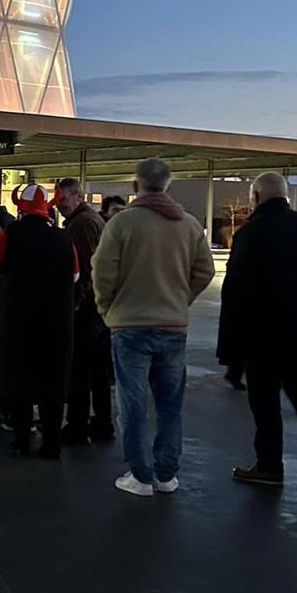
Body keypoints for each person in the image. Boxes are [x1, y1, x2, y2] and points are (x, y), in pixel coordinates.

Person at [91, 158, 215, 496]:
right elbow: (204, 271)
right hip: (173, 326)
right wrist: (180, 300)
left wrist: (108, 309)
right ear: (168, 185)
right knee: (170, 405)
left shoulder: (121, 224)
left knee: (132, 402)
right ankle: (166, 473)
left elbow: (102, 273)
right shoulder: (189, 225)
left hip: (129, 326)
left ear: (135, 186)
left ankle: (140, 474)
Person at [217, 172, 297, 488]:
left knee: (265, 400)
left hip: (260, 334)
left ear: (256, 197)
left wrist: (230, 346)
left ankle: (269, 465)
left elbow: (235, 290)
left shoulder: (252, 232)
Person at [0, 184, 76, 457]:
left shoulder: (12, 233)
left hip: (18, 318)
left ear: (20, 207)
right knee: (53, 379)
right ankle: (51, 443)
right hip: (57, 321)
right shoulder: (62, 237)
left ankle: (21, 439)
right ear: (49, 207)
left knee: (17, 375)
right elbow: (76, 275)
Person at [54, 177, 115, 443]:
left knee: (80, 367)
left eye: (63, 199)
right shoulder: (90, 221)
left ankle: (77, 424)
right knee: (98, 369)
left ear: (78, 196)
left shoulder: (81, 225)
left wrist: (76, 303)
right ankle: (101, 421)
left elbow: (84, 269)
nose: (58, 205)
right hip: (100, 307)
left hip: (88, 308)